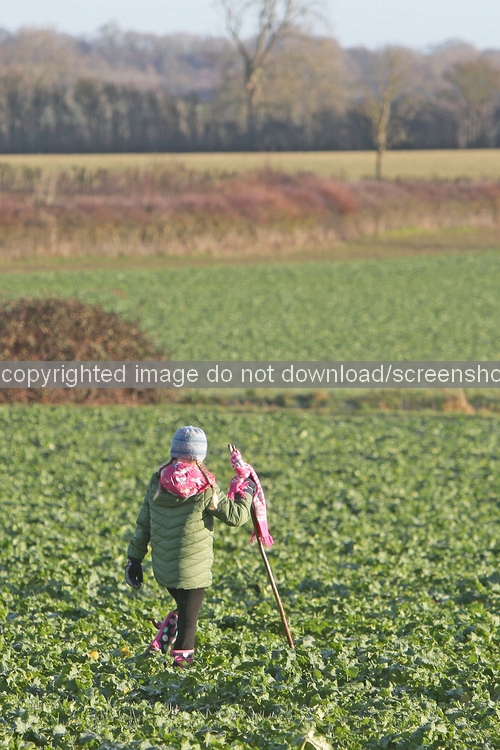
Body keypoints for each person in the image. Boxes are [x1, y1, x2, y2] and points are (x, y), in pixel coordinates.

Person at [125, 425, 255, 668]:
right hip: (193, 571)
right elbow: (236, 517)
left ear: (174, 451)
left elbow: (144, 523)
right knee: (189, 621)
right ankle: (181, 670)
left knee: (185, 608)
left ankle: (166, 632)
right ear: (199, 455)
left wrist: (134, 559)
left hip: (163, 569)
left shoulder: (158, 479)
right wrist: (247, 490)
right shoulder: (204, 486)